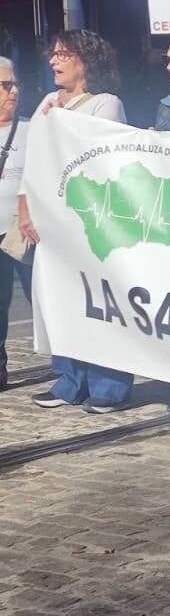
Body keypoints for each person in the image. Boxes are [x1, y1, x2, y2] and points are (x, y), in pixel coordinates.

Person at [21, 30, 132, 414]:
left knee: (101, 301)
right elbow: (33, 158)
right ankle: (69, 380)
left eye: (64, 55)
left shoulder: (106, 103)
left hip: (91, 221)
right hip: (51, 221)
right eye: (53, 55)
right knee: (62, 300)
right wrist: (25, 207)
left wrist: (62, 123)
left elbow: (102, 155)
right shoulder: (49, 101)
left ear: (86, 60)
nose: (54, 62)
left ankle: (110, 385)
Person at [0, 57, 27, 390]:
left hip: (22, 231)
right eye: (5, 85)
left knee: (41, 297)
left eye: (15, 84)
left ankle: (69, 368)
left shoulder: (32, 128)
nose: (14, 91)